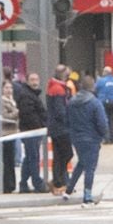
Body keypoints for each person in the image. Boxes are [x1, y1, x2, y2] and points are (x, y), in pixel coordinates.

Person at [66, 75, 109, 205]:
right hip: (92, 138)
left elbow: (67, 120)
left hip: (76, 138)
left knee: (82, 163)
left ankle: (68, 190)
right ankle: (87, 196)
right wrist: (103, 135)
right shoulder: (94, 102)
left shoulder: (72, 102)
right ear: (93, 86)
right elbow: (102, 123)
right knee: (90, 167)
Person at [46, 65, 73, 197]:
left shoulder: (55, 87)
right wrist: (69, 120)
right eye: (67, 74)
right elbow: (60, 111)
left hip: (55, 128)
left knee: (59, 155)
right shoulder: (58, 89)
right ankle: (58, 181)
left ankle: (59, 181)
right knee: (66, 154)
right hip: (61, 128)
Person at [95, 66, 113, 144]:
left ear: (106, 72)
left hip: (104, 102)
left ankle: (107, 138)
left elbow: (95, 89)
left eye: (103, 71)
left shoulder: (101, 81)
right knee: (111, 120)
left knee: (104, 120)